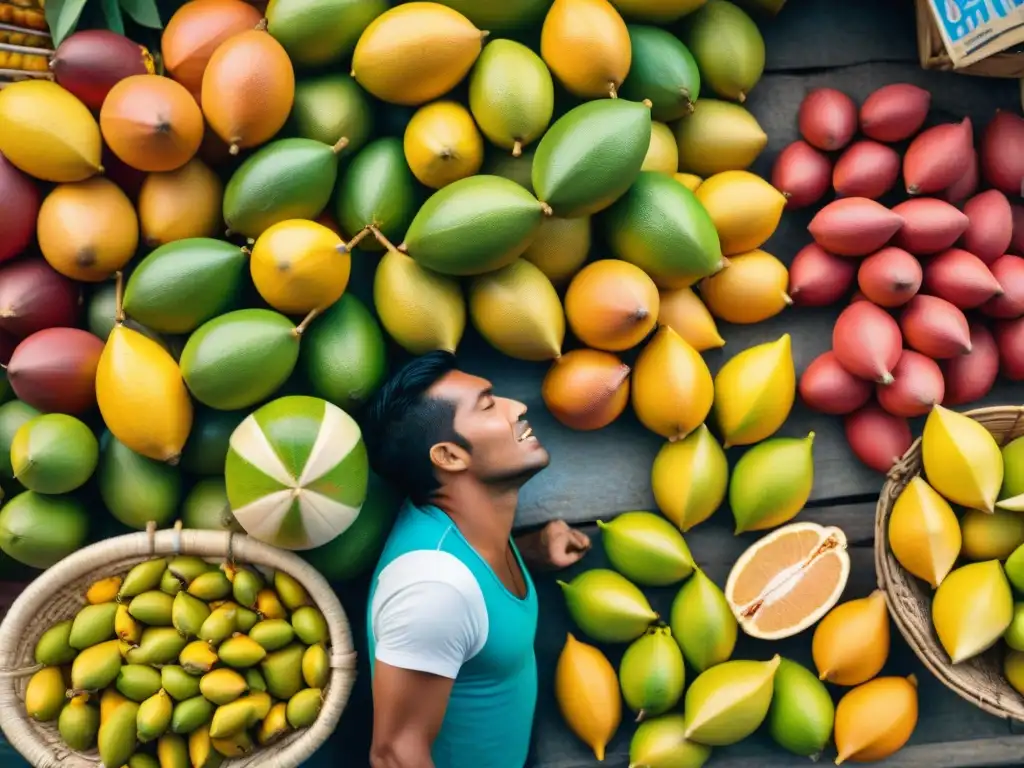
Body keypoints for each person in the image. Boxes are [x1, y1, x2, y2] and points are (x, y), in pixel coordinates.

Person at [360, 350, 592, 768]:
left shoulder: (469, 541)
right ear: (449, 456)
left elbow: (471, 609)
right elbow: (393, 754)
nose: (518, 407)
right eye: (488, 404)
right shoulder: (434, 593)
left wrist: (530, 553)